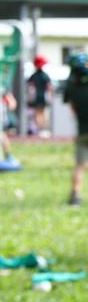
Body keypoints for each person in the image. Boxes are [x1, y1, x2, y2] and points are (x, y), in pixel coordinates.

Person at [65, 52, 88, 206]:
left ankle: (75, 196)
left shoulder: (71, 86)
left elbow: (73, 108)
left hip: (82, 130)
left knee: (80, 164)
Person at [28, 54, 52, 137]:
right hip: (43, 97)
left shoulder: (33, 76)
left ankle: (40, 130)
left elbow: (30, 88)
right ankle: (43, 130)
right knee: (43, 113)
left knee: (38, 114)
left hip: (36, 97)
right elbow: (49, 88)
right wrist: (50, 96)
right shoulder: (45, 76)